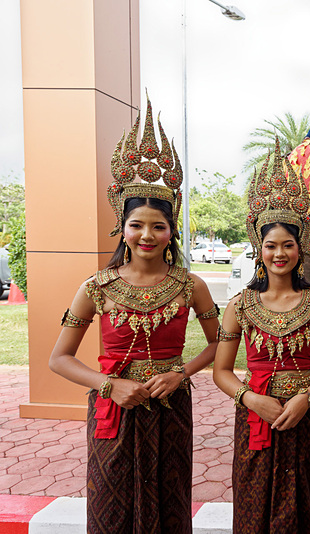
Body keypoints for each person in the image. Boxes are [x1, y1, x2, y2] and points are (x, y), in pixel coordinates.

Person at [49, 99, 220, 533]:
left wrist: (181, 374)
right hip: (115, 408)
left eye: (158, 226)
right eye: (137, 225)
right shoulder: (96, 287)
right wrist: (111, 386)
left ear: (171, 231)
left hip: (171, 407)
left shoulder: (190, 285)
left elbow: (220, 345)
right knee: (111, 503)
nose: (147, 235)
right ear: (121, 228)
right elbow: (60, 358)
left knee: (171, 499)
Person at [212, 143, 310, 533]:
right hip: (255, 413)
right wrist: (251, 399)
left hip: (304, 414)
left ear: (301, 249)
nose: (279, 253)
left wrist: (308, 397)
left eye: (288, 245)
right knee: (253, 502)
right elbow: (221, 371)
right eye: (271, 246)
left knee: (300, 502)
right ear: (259, 249)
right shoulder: (241, 304)